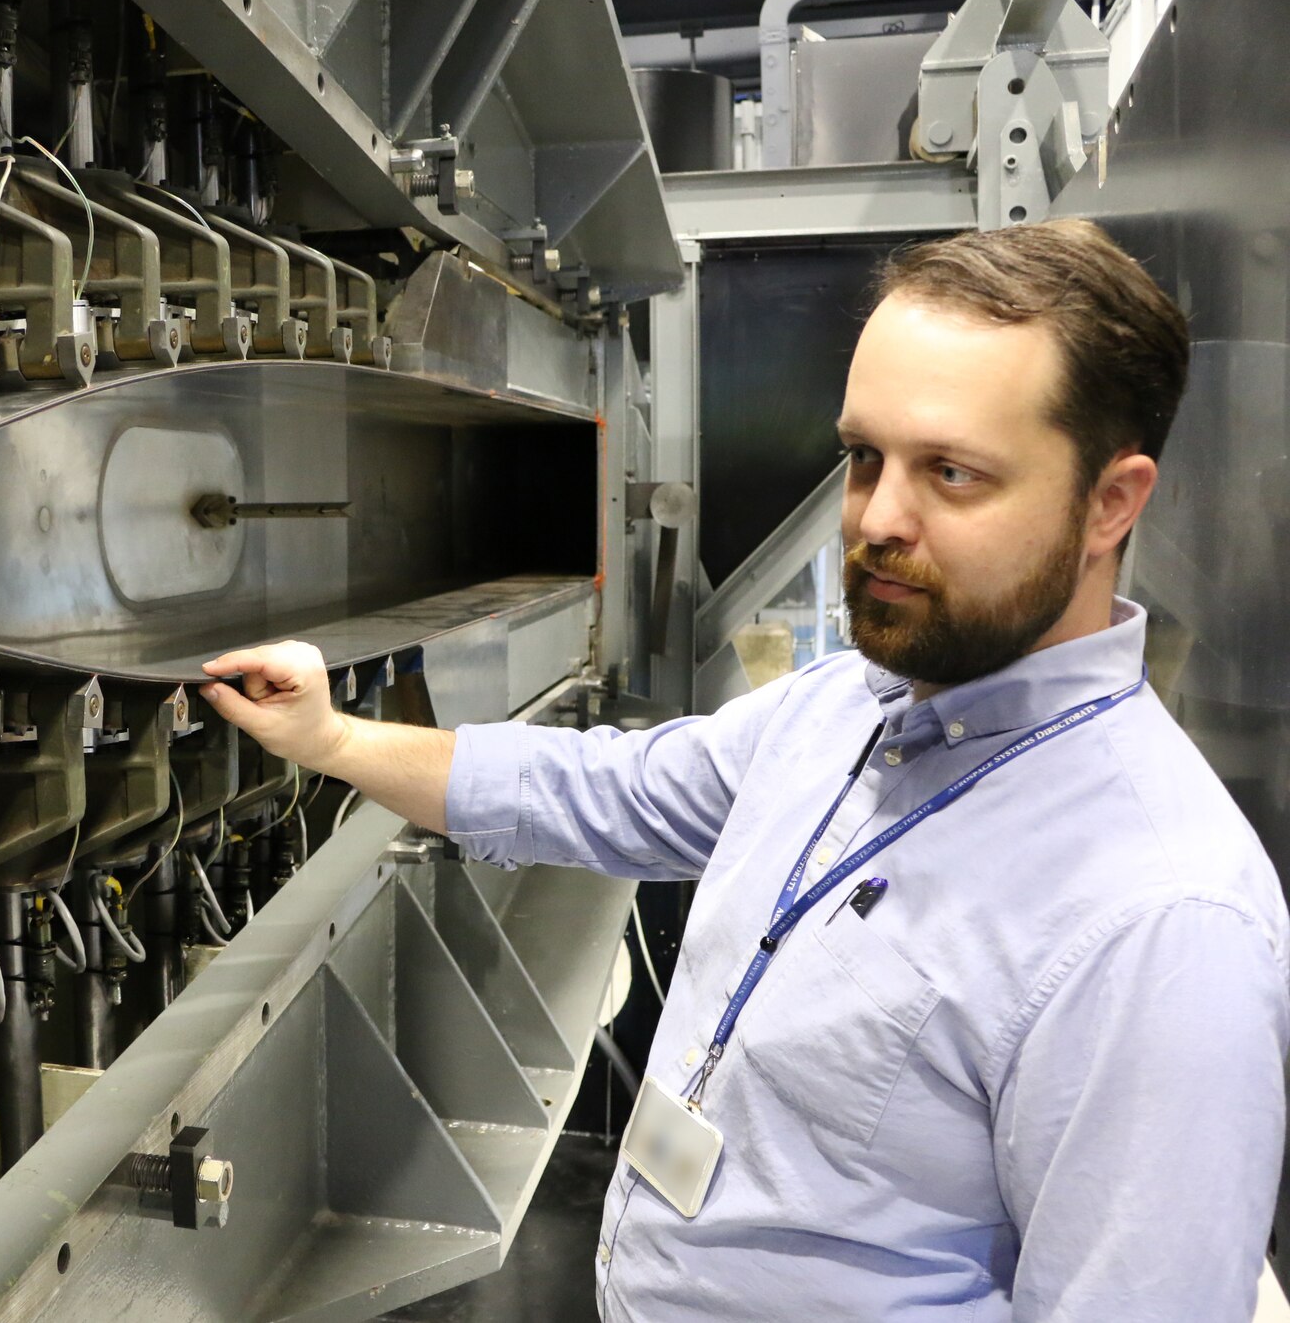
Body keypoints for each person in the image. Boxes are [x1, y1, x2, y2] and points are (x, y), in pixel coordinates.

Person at [197, 220, 1290, 1321]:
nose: (875, 521)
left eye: (950, 474)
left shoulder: (1157, 922)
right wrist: (331, 741)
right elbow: (603, 794)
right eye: (864, 458)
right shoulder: (845, 707)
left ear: (1109, 502)